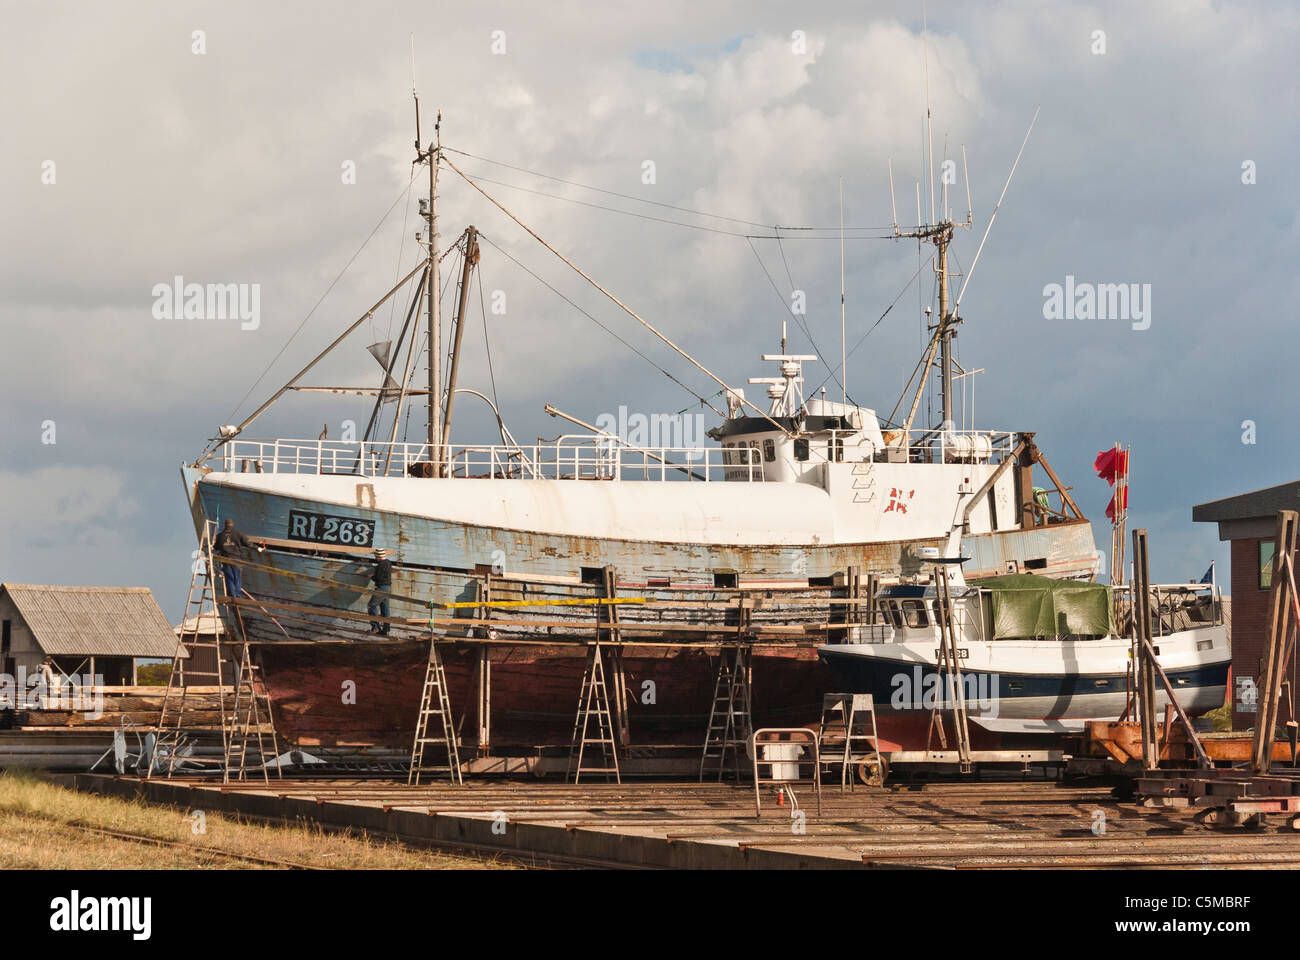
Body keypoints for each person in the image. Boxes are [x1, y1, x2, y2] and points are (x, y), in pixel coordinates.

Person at [212, 519, 263, 599]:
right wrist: (258, 548)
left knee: (229, 578)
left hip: (226, 560)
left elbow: (216, 547)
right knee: (237, 578)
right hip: (236, 559)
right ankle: (238, 596)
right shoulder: (238, 534)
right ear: (232, 524)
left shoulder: (220, 535)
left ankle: (232, 597)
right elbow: (248, 543)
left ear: (225, 525)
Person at [368, 547, 393, 634]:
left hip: (381, 588)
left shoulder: (381, 564)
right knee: (385, 608)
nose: (375, 558)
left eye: (376, 556)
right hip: (388, 588)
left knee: (372, 605)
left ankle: (375, 627)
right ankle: (386, 629)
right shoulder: (388, 563)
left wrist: (371, 576)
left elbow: (378, 578)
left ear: (379, 556)